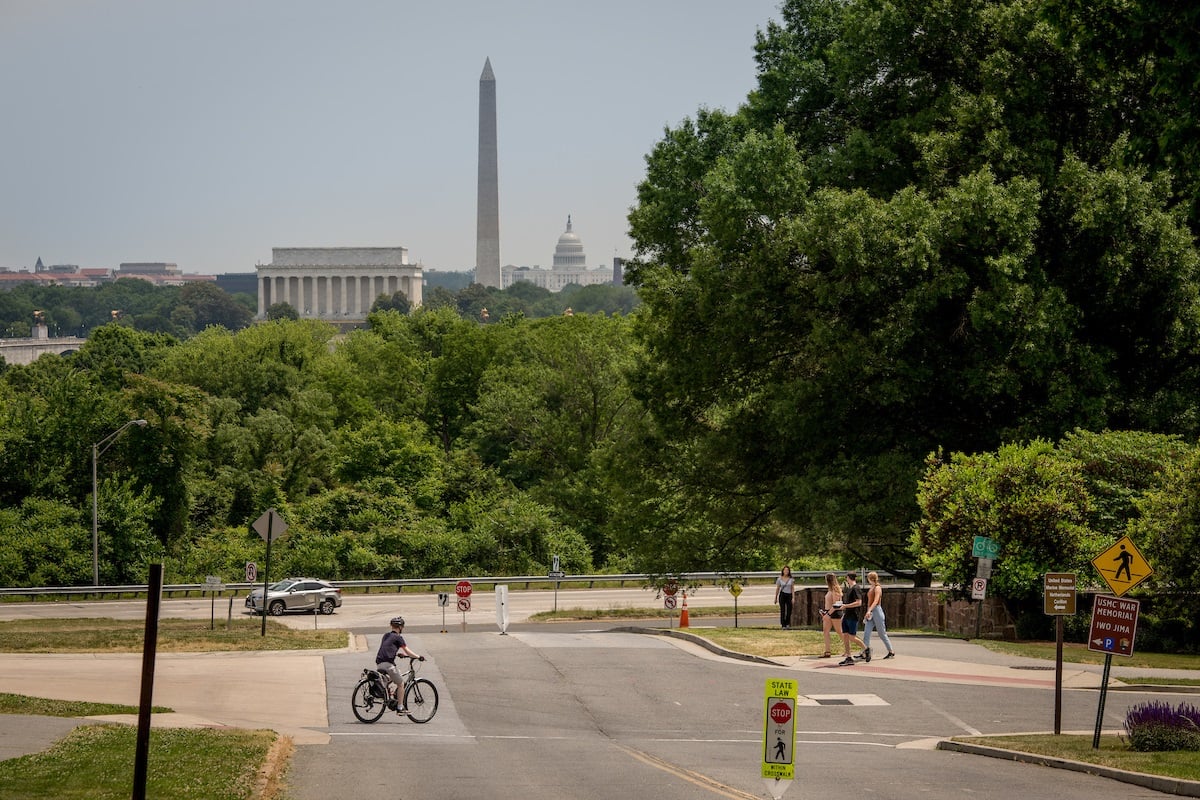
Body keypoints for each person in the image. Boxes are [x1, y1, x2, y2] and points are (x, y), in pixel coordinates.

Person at [376, 616, 424, 712]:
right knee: (401, 684)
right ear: (400, 627)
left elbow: (387, 647)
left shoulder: (386, 635)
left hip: (379, 663)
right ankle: (400, 707)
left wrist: (398, 654)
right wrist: (418, 657)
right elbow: (407, 651)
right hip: (388, 665)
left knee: (398, 673)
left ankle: (390, 695)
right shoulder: (398, 637)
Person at [858, 571, 896, 661]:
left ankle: (891, 651)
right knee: (866, 633)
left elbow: (876, 600)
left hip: (876, 611)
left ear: (871, 578)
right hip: (870, 611)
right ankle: (864, 651)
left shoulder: (877, 588)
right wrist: (868, 611)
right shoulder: (871, 587)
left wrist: (869, 610)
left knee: (881, 633)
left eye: (868, 578)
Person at [838, 572, 865, 666]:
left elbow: (859, 602)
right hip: (847, 615)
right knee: (845, 635)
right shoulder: (849, 589)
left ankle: (866, 649)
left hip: (853, 615)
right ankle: (848, 657)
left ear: (848, 578)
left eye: (846, 578)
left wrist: (846, 606)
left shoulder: (856, 588)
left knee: (851, 636)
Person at [817, 572, 842, 657]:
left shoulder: (835, 589)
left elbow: (836, 604)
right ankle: (827, 651)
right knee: (826, 631)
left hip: (834, 612)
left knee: (839, 631)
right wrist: (825, 612)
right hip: (827, 611)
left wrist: (828, 614)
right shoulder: (830, 590)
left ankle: (847, 649)